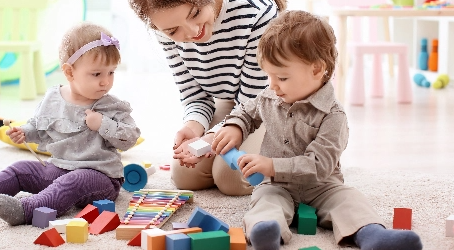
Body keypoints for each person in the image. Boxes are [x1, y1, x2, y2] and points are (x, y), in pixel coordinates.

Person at [211, 10, 423, 250]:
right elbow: (246, 112)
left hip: (322, 186)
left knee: (349, 200)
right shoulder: (269, 97)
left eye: (281, 77)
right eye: (268, 76)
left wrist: (272, 165)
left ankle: (372, 235)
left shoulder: (334, 116)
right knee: (265, 200)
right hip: (276, 185)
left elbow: (320, 165)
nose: (272, 85)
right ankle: (265, 233)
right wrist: (234, 127)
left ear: (316, 69)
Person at [0, 23, 141, 226]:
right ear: (69, 73)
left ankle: (27, 209)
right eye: (97, 74)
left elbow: (130, 138)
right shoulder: (53, 98)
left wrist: (102, 123)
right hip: (59, 168)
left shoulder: (111, 106)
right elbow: (39, 127)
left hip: (100, 178)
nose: (106, 81)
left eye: (111, 72)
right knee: (21, 169)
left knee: (72, 182)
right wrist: (25, 132)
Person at [128, 0, 287, 196]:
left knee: (232, 178)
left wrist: (211, 138)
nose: (193, 32)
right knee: (185, 176)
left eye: (195, 14)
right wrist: (193, 126)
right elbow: (195, 96)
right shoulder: (163, 29)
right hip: (231, 101)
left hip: (266, 103)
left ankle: (288, 155)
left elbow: (252, 101)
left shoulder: (256, 12)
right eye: (172, 31)